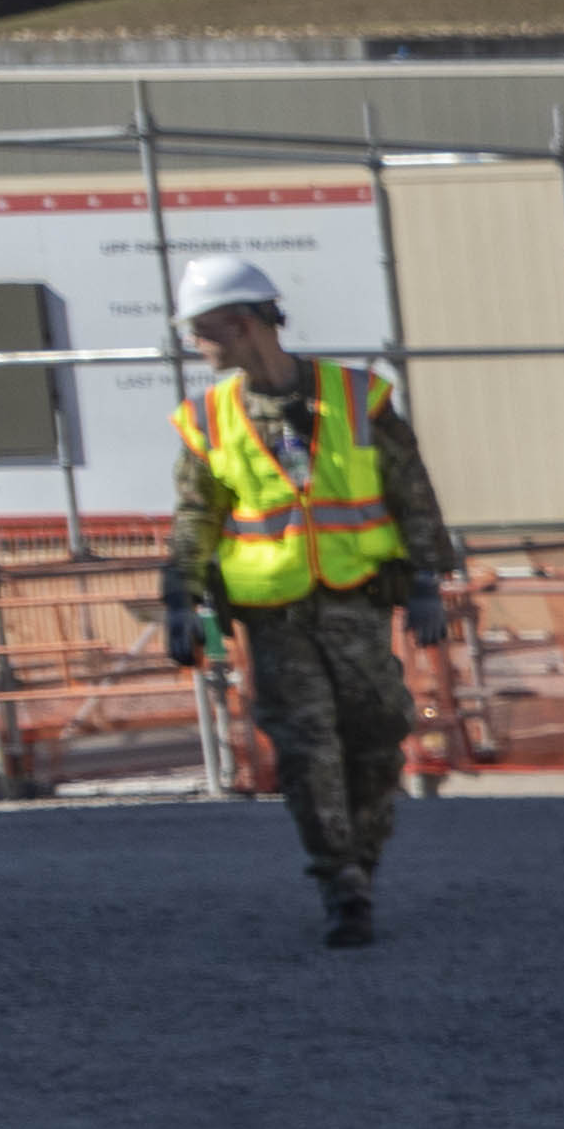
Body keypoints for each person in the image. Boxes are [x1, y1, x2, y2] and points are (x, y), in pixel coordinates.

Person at [159, 257, 458, 949]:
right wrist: (179, 597)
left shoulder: (358, 397)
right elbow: (193, 518)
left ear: (242, 323)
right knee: (307, 748)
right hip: (273, 614)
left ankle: (361, 863)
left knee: (379, 735)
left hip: (356, 603)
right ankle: (340, 885)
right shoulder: (209, 418)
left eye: (203, 332)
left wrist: (425, 581)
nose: (197, 347)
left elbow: (411, 491)